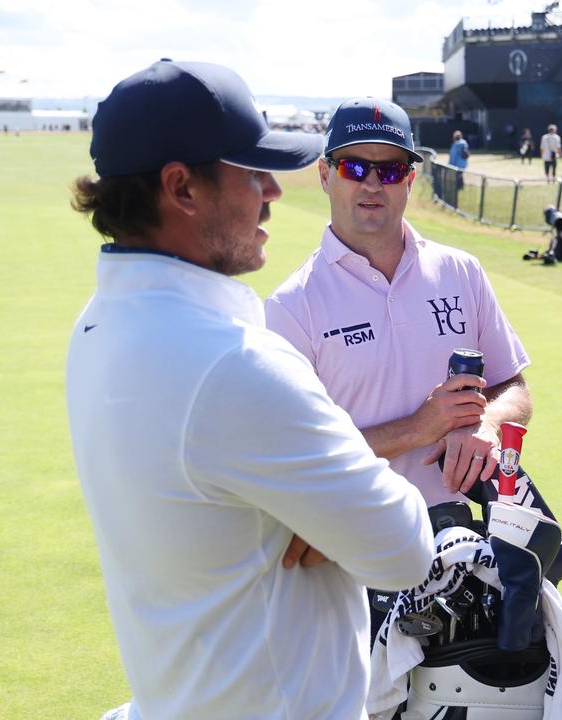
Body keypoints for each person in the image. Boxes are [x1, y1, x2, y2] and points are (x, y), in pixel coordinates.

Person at [66, 61, 434, 719]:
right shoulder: (234, 363)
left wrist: (311, 503)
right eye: (250, 171)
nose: (272, 191)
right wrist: (333, 499)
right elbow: (404, 548)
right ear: (182, 188)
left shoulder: (97, 322)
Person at [267, 96, 532, 509]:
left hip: (466, 541)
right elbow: (292, 457)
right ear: (324, 174)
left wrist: (489, 424)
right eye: (354, 167)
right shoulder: (292, 305)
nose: (373, 184)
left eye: (390, 170)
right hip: (357, 553)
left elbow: (513, 386)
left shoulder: (461, 270)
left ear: (408, 182)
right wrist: (417, 428)